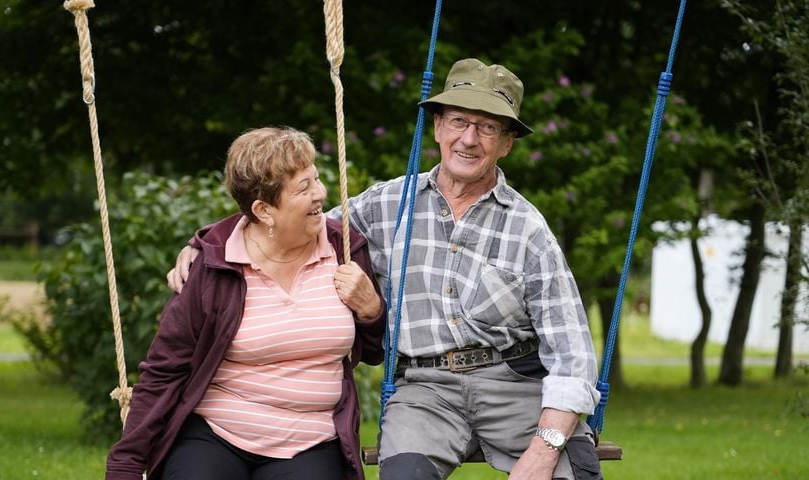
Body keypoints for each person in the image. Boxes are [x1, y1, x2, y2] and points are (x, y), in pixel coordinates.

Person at [168, 59, 602, 480]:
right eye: (458, 122)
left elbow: (572, 355)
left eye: (488, 127)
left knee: (572, 472)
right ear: (437, 127)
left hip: (515, 387)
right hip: (425, 390)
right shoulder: (388, 204)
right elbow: (294, 222)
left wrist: (544, 450)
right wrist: (208, 243)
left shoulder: (529, 229)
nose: (469, 139)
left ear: (506, 143)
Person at [106, 127, 386, 480]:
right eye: (304, 187)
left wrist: (372, 310)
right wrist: (125, 464)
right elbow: (165, 369)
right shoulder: (215, 264)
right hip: (215, 436)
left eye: (316, 178)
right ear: (263, 210)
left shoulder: (345, 249)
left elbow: (375, 352)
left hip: (311, 443)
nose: (321, 193)